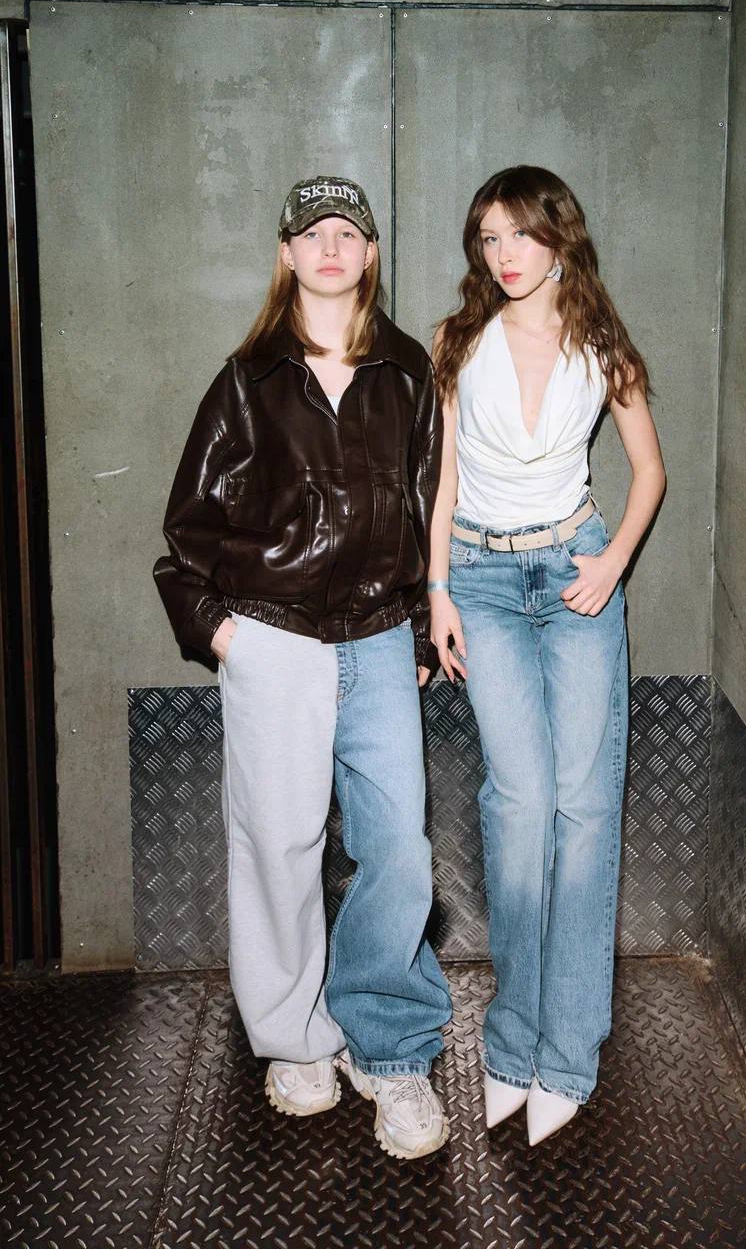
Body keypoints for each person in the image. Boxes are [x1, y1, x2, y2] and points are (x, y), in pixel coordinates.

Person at [154, 175, 452, 1161]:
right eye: (311, 232)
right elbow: (186, 530)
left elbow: (425, 510)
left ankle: (389, 1049)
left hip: (378, 636)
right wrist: (222, 633)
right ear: (286, 254)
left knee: (397, 847)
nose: (330, 246)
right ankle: (294, 1040)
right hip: (273, 637)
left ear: (369, 254)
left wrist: (418, 632)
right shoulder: (248, 379)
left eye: (347, 232)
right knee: (278, 844)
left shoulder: (406, 371)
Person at [429, 165, 666, 1146]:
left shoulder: (602, 341)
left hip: (574, 577)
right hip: (480, 579)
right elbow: (440, 478)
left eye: (520, 234)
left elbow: (647, 470)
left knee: (582, 805)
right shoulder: (456, 340)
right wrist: (435, 588)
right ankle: (511, 1042)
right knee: (517, 806)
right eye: (488, 238)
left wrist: (612, 561)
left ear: (559, 236)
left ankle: (567, 1053)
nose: (504, 254)